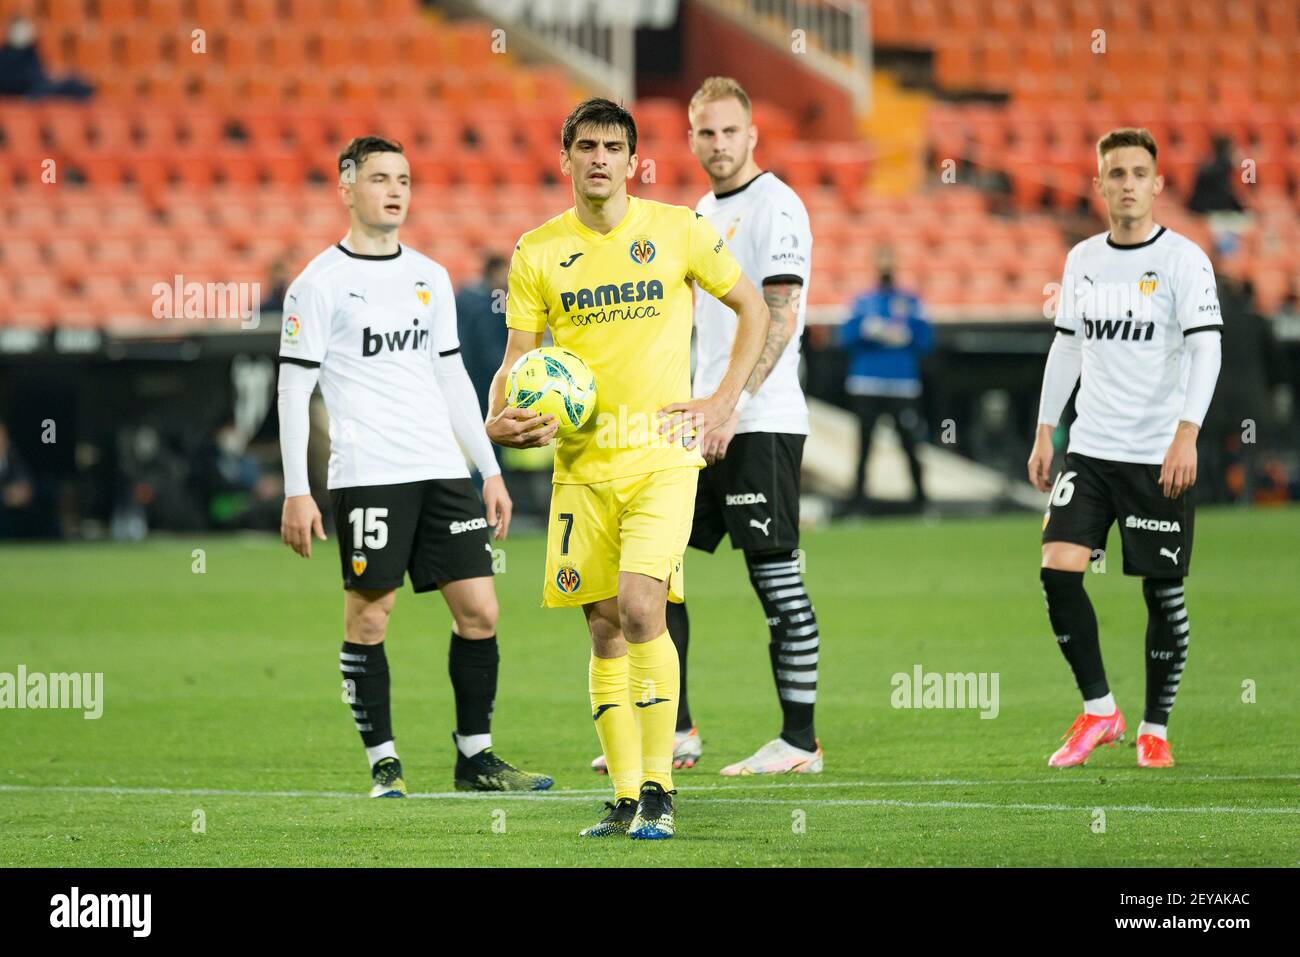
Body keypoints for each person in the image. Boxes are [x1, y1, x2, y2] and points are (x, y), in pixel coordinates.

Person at [486, 98, 767, 838]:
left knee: (643, 606)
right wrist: (498, 418)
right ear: (566, 158)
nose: (601, 158)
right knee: (605, 627)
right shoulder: (537, 251)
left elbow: (755, 308)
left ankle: (660, 789)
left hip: (663, 456)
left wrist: (722, 401)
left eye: (614, 146)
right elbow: (518, 361)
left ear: (633, 158)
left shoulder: (677, 230)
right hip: (581, 467)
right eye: (587, 146)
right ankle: (620, 795)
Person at [277, 136, 552, 798]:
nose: (394, 189)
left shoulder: (429, 275)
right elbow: (293, 388)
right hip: (368, 472)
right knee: (371, 616)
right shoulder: (318, 285)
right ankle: (383, 761)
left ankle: (476, 757)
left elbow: (452, 378)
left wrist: (489, 470)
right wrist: (296, 490)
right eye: (378, 178)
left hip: (442, 470)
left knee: (480, 610)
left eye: (403, 177)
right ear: (346, 187)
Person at [588, 76, 822, 778]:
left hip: (760, 420)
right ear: (690, 139)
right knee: (659, 571)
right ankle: (678, 726)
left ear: (752, 135)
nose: (717, 145)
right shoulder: (695, 212)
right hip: (698, 418)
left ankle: (800, 740)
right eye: (705, 133)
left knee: (776, 578)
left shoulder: (779, 206)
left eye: (729, 131)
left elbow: (780, 313)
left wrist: (731, 402)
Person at [1029, 128, 1222, 770]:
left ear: (1158, 184)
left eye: (1140, 172)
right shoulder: (1083, 258)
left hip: (1158, 452)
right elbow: (1069, 346)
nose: (1129, 183)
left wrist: (1187, 432)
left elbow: (1205, 348)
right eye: (1116, 173)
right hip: (1091, 450)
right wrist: (1044, 429)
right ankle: (1100, 709)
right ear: (1100, 185)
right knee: (1058, 569)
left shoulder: (1184, 260)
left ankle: (1154, 727)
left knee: (1162, 594)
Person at [840, 246, 934, 513]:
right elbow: (845, 338)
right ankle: (857, 504)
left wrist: (905, 335)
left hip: (902, 386)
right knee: (864, 446)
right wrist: (868, 331)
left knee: (910, 444)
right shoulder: (862, 301)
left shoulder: (911, 301)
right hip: (866, 384)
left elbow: (926, 340)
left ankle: (922, 502)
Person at [456, 254, 510, 417]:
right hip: (482, 372)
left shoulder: (467, 295)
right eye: (505, 273)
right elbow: (491, 344)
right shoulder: (489, 302)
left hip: (468, 367)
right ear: (494, 272)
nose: (508, 279)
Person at [0, 16, 93, 99]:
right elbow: (7, 82)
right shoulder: (4, 54)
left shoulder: (32, 51)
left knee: (73, 81)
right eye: (17, 29)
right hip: (28, 93)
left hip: (39, 87)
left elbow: (39, 73)